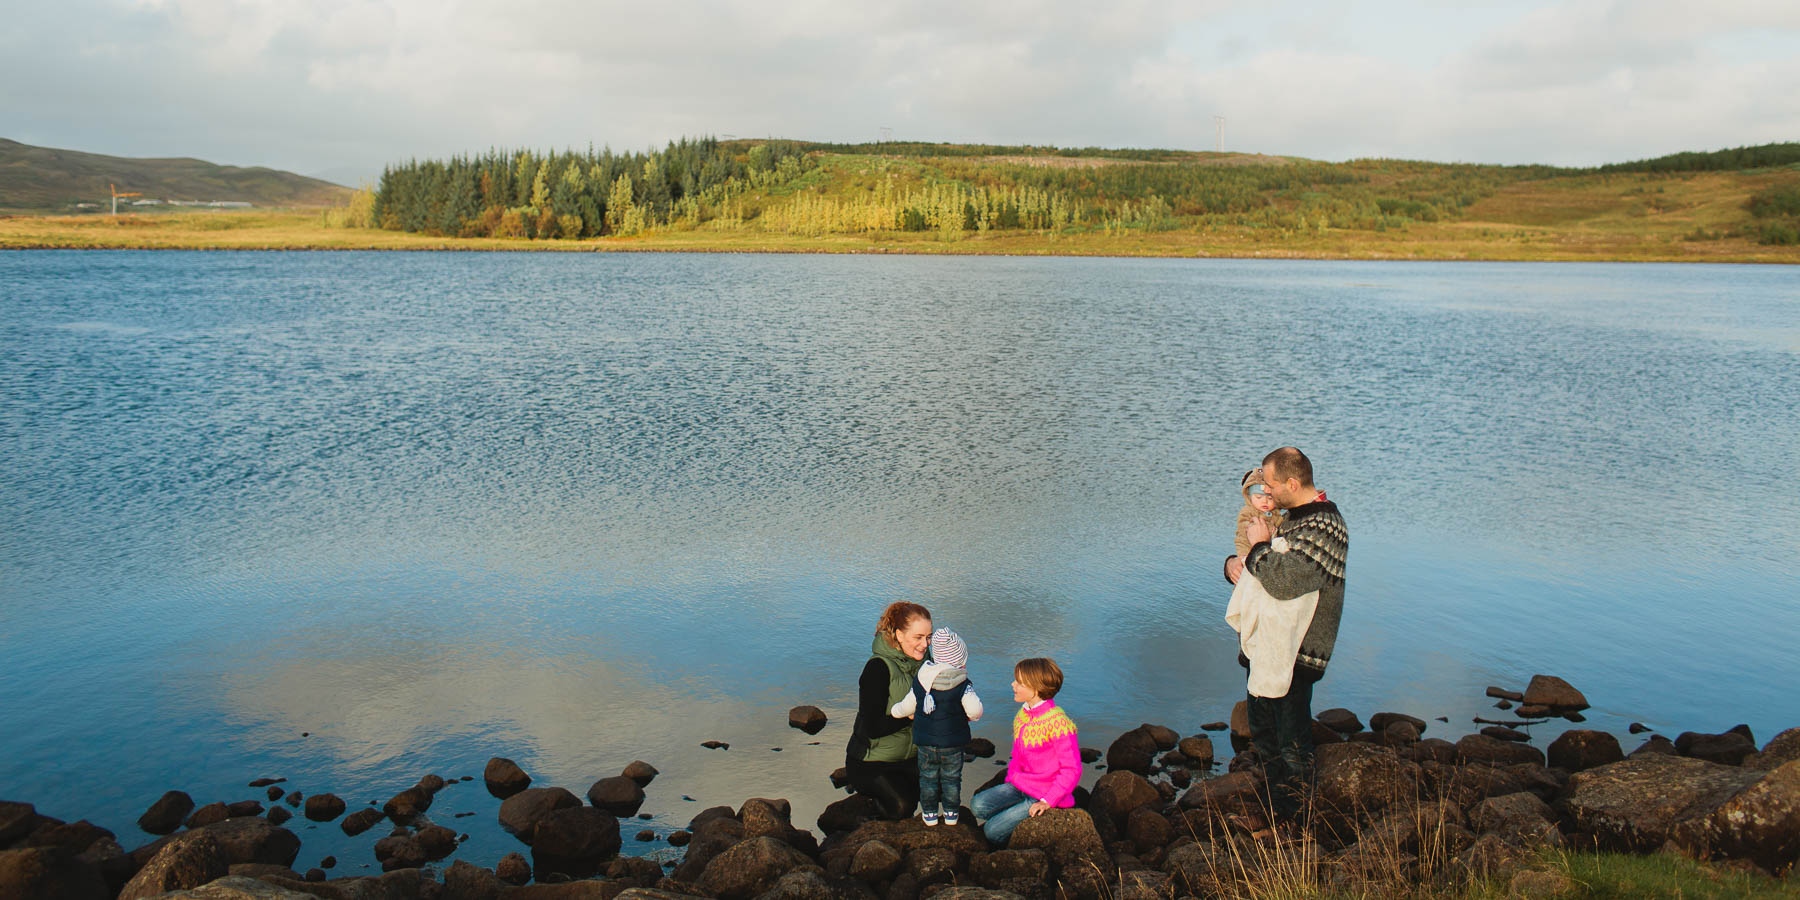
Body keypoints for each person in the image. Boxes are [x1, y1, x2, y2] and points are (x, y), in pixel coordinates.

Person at [1223, 446, 1347, 824]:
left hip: (1296, 653)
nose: (1266, 491)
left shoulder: (1325, 527)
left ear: (1292, 483)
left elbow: (1284, 580)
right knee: (1264, 734)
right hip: (1267, 649)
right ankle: (1275, 811)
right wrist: (1231, 564)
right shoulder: (1290, 517)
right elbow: (1259, 570)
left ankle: (1296, 823)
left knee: (1291, 744)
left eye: (1271, 484)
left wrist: (1260, 547)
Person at [969, 658, 1081, 846]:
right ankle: (1014, 811)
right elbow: (1017, 756)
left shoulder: (1059, 723)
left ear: (1036, 689)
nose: (1013, 684)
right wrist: (1012, 777)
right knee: (977, 805)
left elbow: (1072, 769)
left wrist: (1047, 801)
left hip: (1044, 794)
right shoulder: (1022, 716)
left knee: (991, 832)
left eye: (1019, 682)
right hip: (1021, 786)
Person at [845, 601, 933, 819]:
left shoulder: (928, 664)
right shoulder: (878, 668)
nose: (924, 644)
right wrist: (911, 715)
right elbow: (873, 728)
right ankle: (864, 812)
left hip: (910, 757)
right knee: (902, 806)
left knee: (942, 789)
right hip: (871, 761)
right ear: (899, 635)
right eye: (918, 637)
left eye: (928, 637)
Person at [889, 627, 984, 825]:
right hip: (952, 743)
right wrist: (970, 717)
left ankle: (930, 813)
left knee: (927, 778)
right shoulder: (963, 685)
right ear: (960, 660)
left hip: (925, 743)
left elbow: (907, 706)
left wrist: (895, 711)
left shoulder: (922, 681)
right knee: (951, 779)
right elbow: (975, 710)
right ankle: (951, 813)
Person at [1234, 468, 1285, 558]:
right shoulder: (1248, 511)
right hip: (1247, 549)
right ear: (1249, 497)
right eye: (1258, 497)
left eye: (1270, 498)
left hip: (1268, 549)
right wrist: (1270, 529)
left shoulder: (1277, 514)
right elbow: (1244, 527)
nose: (1264, 501)